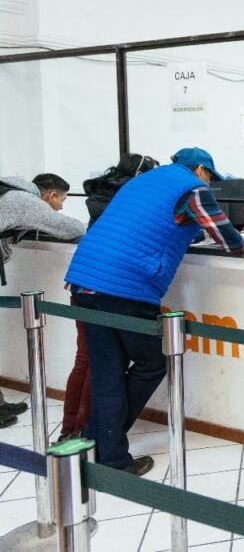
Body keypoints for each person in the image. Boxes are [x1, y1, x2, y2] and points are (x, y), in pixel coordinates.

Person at [63, 147, 244, 475]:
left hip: (84, 280)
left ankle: (106, 451)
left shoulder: (142, 182)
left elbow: (146, 225)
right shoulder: (193, 189)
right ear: (199, 170)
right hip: (124, 285)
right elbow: (230, 241)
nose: (210, 183)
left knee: (107, 372)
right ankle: (100, 439)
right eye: (209, 176)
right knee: (153, 362)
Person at [58, 154, 159, 443]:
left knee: (87, 361)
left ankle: (71, 430)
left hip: (83, 282)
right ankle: (86, 434)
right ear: (139, 175)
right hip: (111, 287)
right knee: (105, 367)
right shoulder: (131, 198)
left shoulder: (101, 194)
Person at [0, 172, 85, 429]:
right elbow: (72, 228)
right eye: (62, 200)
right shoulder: (25, 200)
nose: (61, 207)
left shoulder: (11, 194)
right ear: (50, 195)